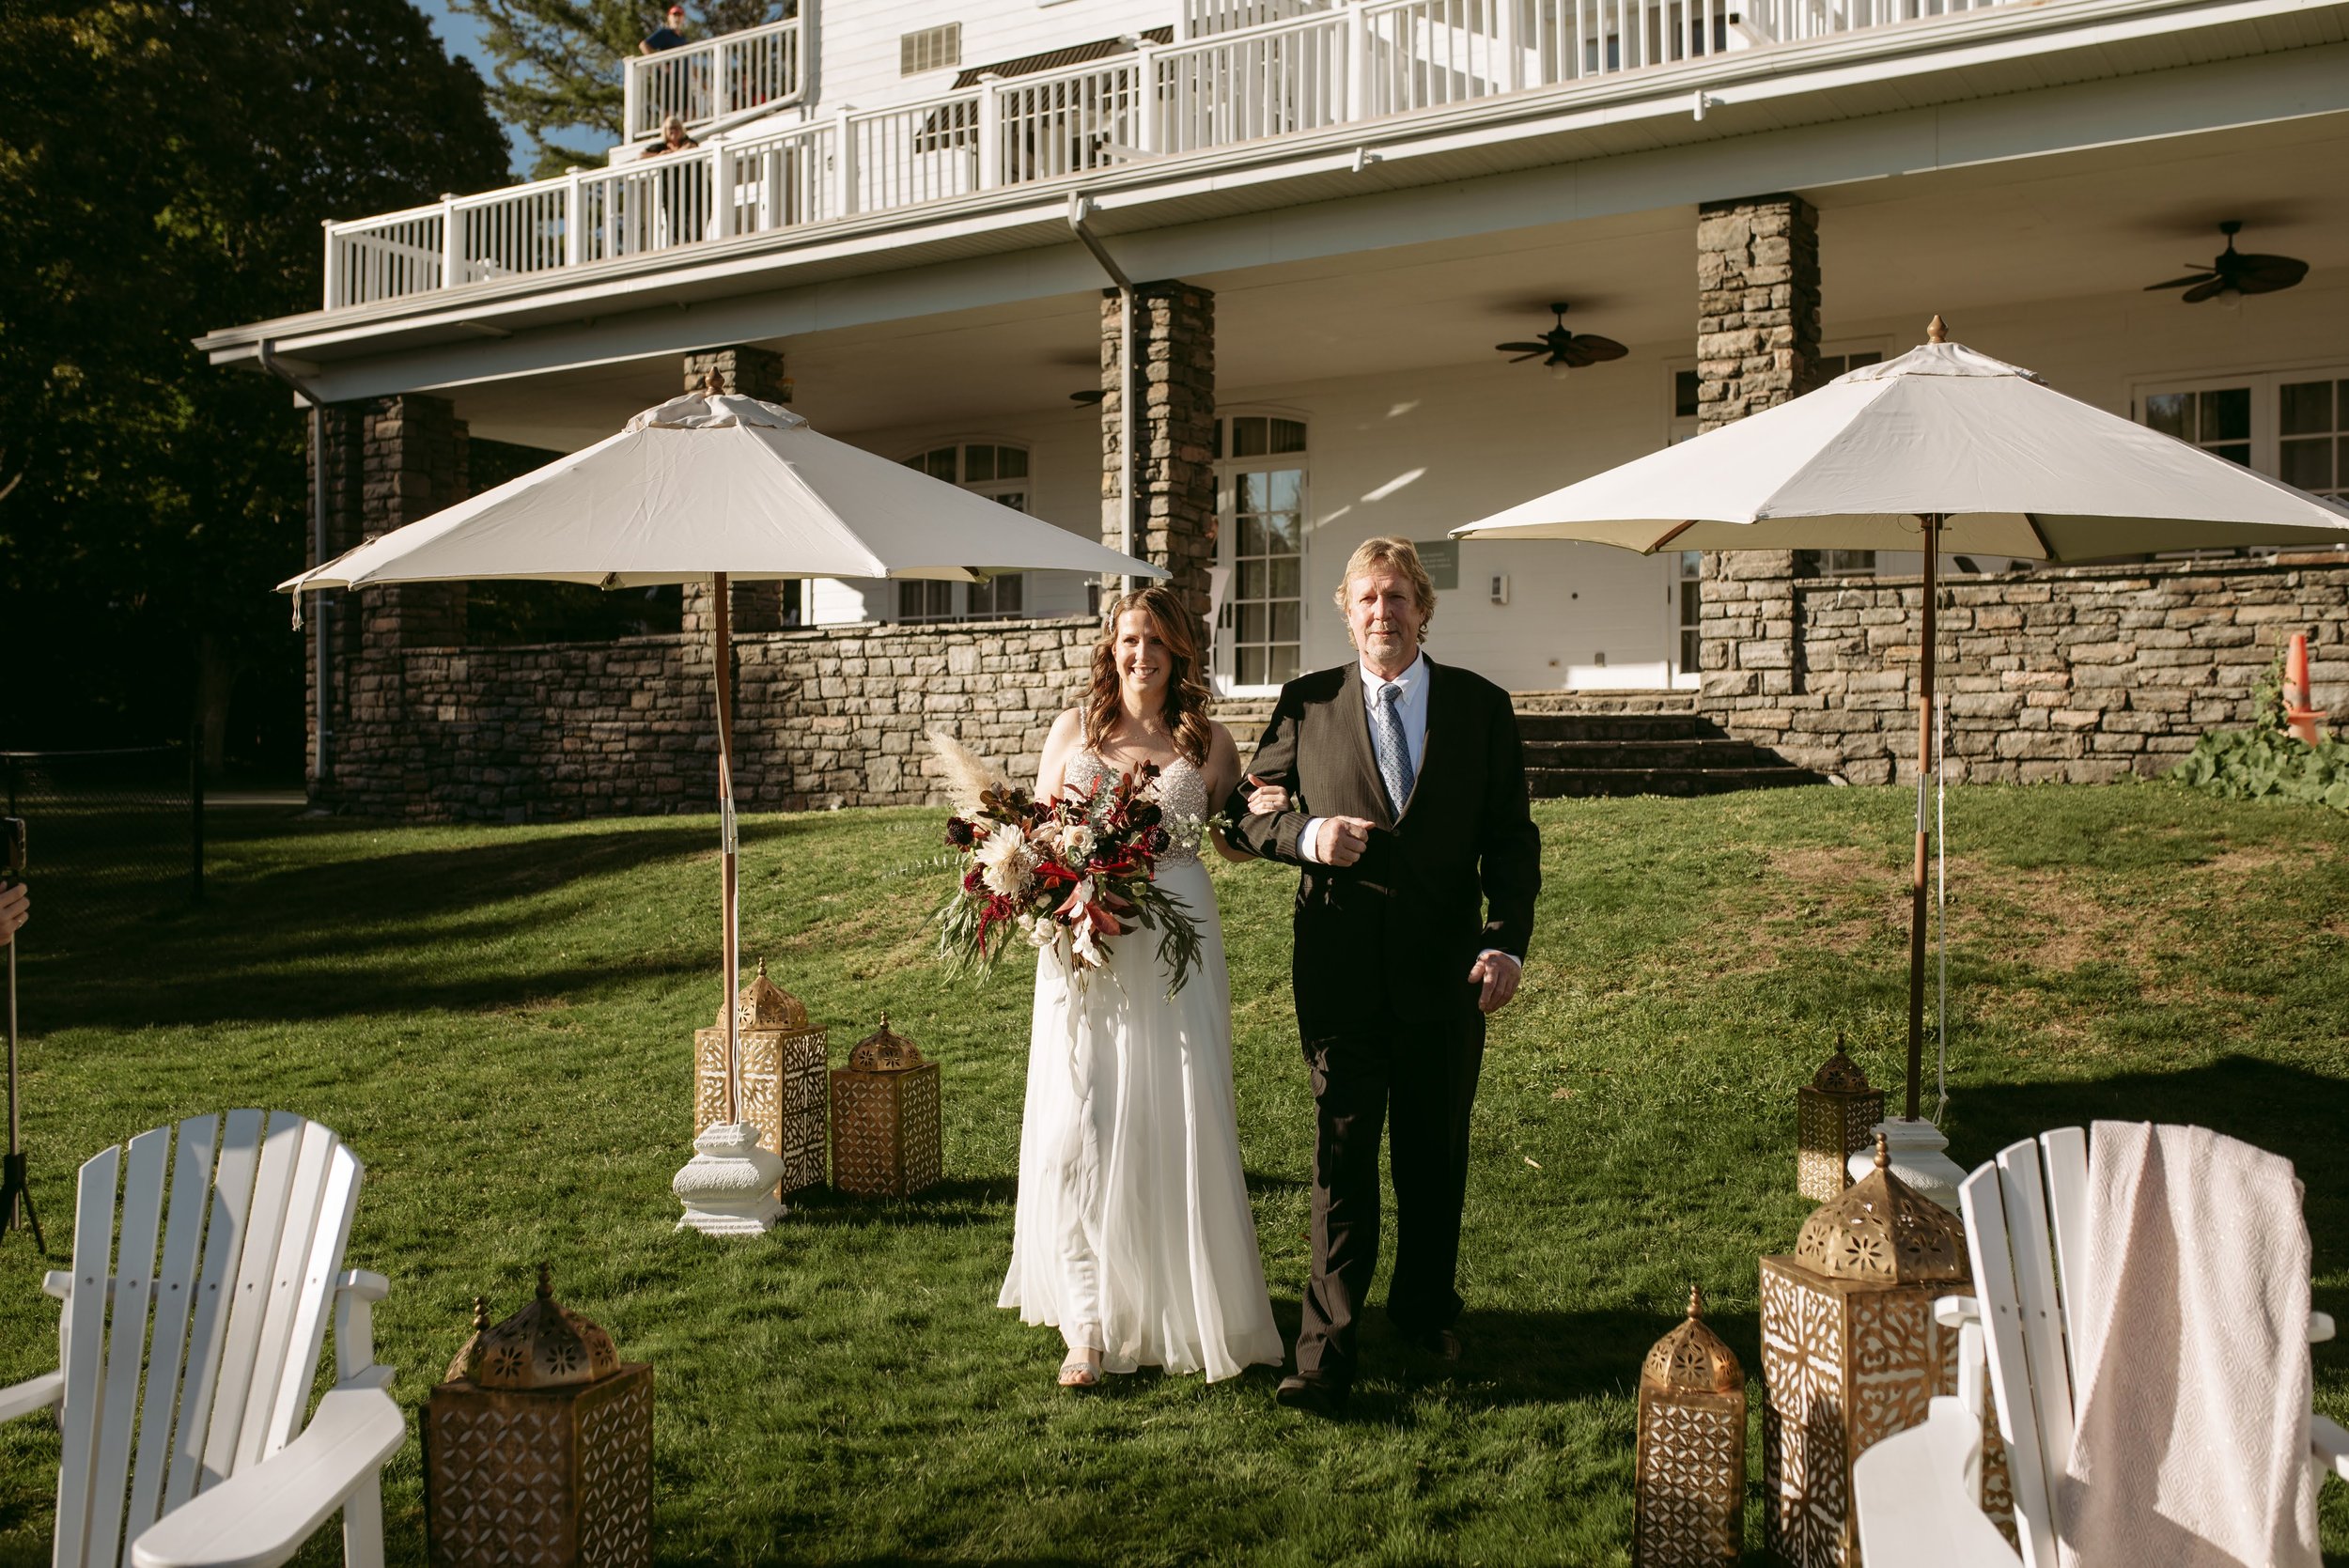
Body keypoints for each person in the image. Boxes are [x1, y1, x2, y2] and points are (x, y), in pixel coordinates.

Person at [1223, 536, 1541, 1417]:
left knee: (1433, 1160)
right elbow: (1243, 815)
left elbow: (1512, 840)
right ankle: (1322, 1353)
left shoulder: (1480, 707)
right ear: (1346, 610)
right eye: (1366, 598)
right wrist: (1305, 836)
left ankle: (1426, 1308)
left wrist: (1506, 940)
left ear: (1423, 609)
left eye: (1397, 596)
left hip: (1449, 977)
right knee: (1343, 1160)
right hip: (1342, 976)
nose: (1381, 612)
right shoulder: (1306, 703)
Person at [999, 584, 1284, 1389]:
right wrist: (1055, 892)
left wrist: (1269, 808)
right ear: (1111, 647)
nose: (1141, 654)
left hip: (1179, 948)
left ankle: (1180, 1301)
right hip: (1089, 945)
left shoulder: (1212, 744)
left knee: (1178, 1115)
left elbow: (1232, 843)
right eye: (1130, 639)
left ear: (1180, 653)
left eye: (1157, 642)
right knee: (1083, 1121)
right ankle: (1087, 1325)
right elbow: (1037, 838)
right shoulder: (1074, 732)